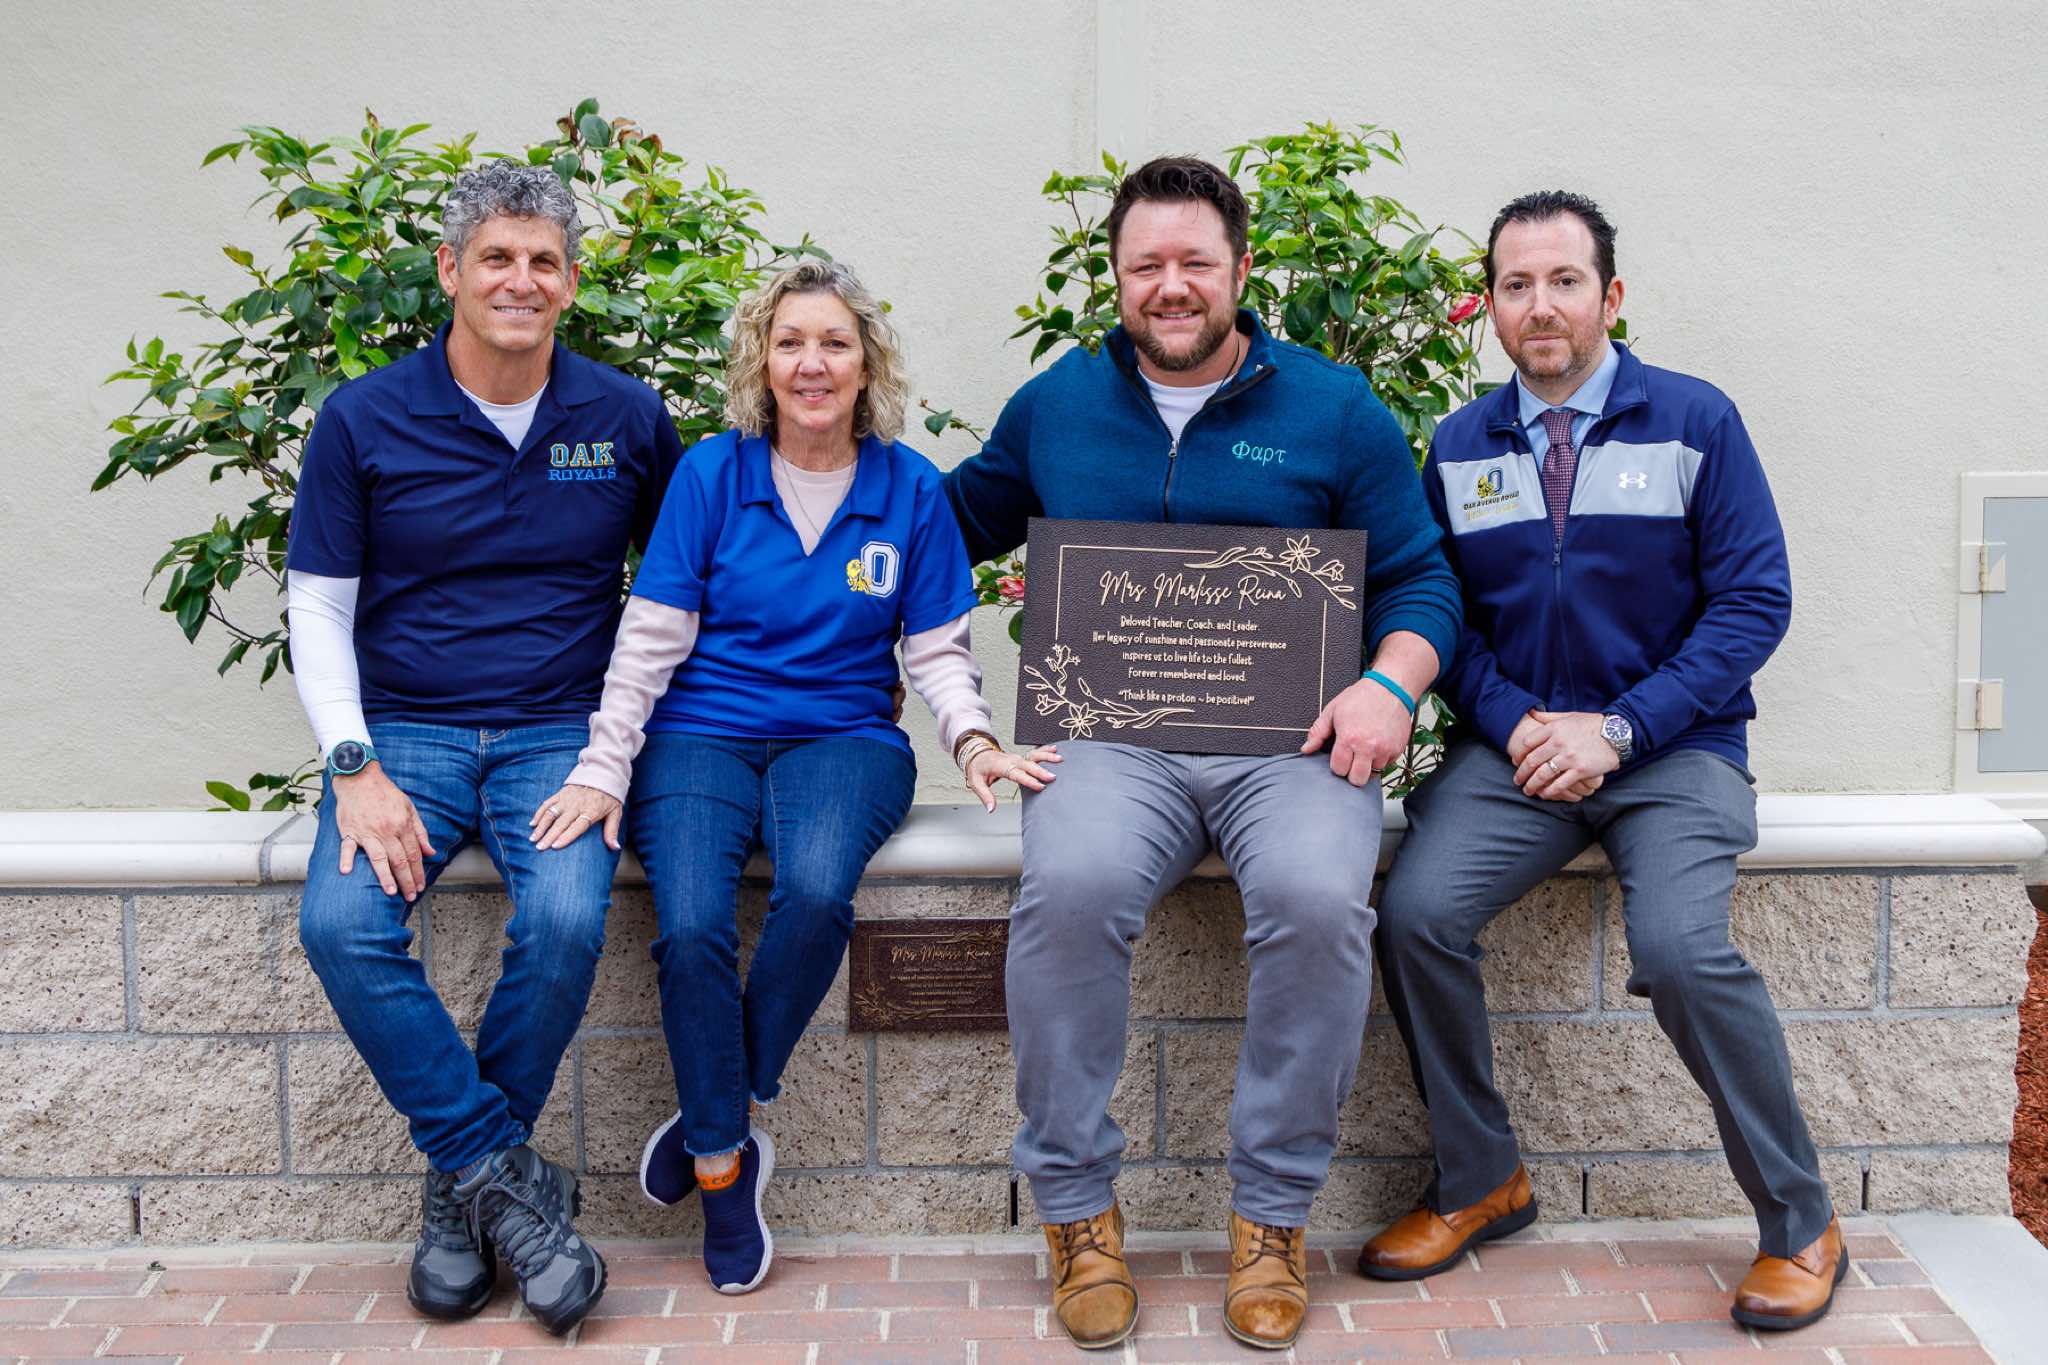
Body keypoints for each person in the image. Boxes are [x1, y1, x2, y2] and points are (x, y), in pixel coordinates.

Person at [943, 157, 1461, 1351]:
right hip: (1112, 740)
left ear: (1238, 270)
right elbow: (941, 527)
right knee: (1068, 890)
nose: (1169, 286)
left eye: (1193, 263)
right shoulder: (1056, 406)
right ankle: (1074, 1211)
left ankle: (1271, 1217)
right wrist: (806, 488)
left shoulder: (1331, 408)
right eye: (1145, 266)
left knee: (1318, 900)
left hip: (1289, 741)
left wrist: (1389, 687)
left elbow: (1421, 579)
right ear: (1114, 277)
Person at [1358, 190, 1842, 1331]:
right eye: (1515, 284)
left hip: (1673, 750)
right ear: (1490, 305)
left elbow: (1753, 602)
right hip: (1516, 753)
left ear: (1609, 297)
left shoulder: (1694, 421)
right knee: (1414, 915)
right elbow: (1437, 610)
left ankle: (1800, 1220)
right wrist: (1517, 719)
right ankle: (1482, 1178)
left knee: (1679, 952)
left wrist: (1618, 729)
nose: (1540, 306)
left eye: (1564, 281)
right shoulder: (1459, 444)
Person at [532, 258, 1054, 1295]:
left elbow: (936, 651)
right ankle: (725, 1174)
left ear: (867, 366)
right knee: (689, 926)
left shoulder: (910, 489)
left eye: (834, 343)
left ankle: (716, 1113)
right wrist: (603, 765)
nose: (812, 363)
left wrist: (973, 742)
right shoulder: (710, 475)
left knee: (816, 896)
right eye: (789, 343)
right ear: (760, 364)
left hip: (844, 737)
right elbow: (650, 637)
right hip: (700, 733)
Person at [287, 162, 684, 1333]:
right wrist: (353, 767)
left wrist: (622, 750)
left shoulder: (623, 418)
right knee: (340, 925)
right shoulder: (363, 417)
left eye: (543, 261)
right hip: (403, 732)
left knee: (563, 919)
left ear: (571, 281)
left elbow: (679, 592)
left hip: (560, 731)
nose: (521, 280)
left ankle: (462, 1196)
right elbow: (316, 607)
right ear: (451, 271)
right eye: (497, 258)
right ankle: (501, 1180)